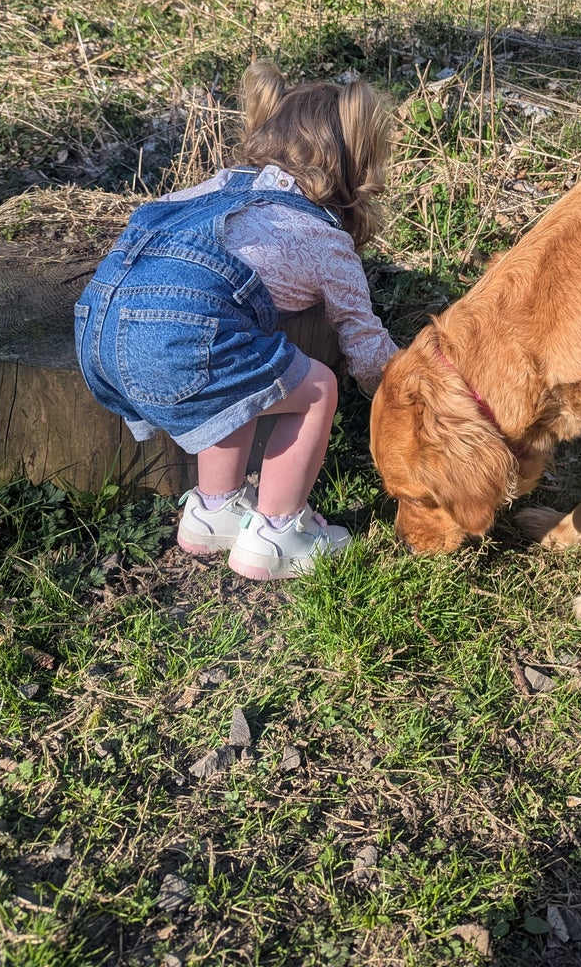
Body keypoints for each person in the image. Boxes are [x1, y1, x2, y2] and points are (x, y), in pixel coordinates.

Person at [75, 65, 397, 581]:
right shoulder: (322, 238)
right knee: (315, 388)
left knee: (235, 374)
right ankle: (276, 534)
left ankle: (215, 510)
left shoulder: (213, 188)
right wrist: (412, 387)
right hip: (174, 338)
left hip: (96, 328)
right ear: (354, 159)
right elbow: (366, 350)